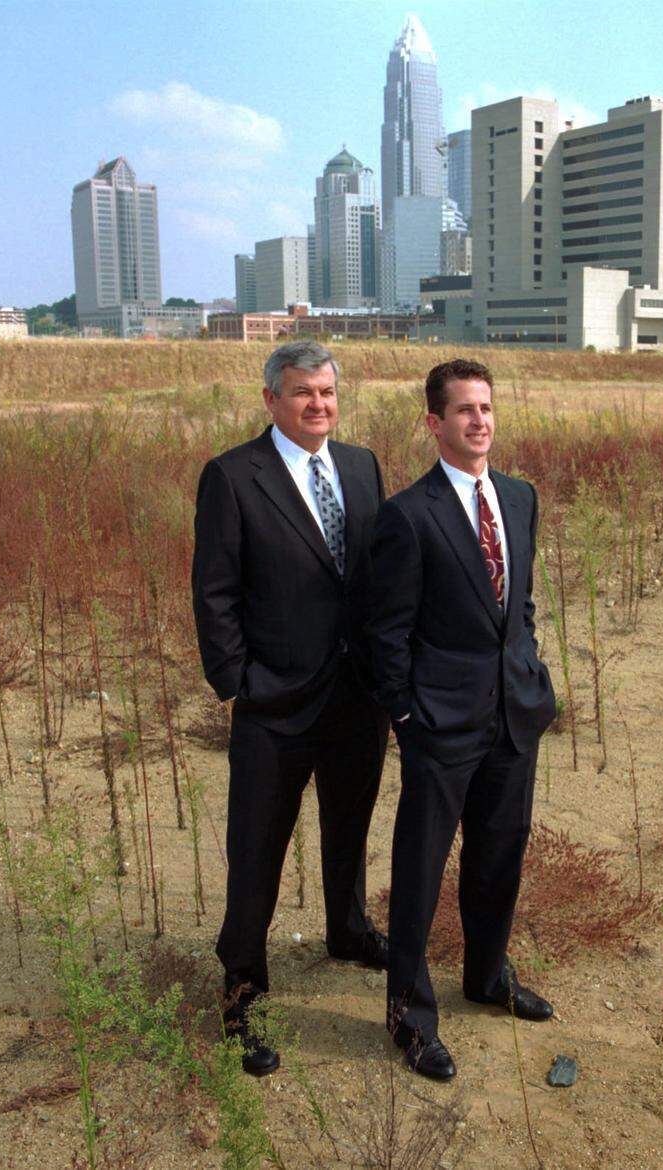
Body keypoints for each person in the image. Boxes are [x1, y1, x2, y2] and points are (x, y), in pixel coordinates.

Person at [191, 340, 390, 1076]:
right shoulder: (233, 476)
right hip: (275, 702)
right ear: (271, 399)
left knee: (349, 827)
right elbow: (214, 592)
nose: (318, 405)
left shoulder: (363, 467)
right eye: (304, 392)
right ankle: (242, 982)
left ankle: (348, 930)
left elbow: (374, 576)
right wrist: (241, 680)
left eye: (328, 393)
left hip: (355, 698)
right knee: (257, 848)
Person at [369, 358, 558, 1080]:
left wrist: (530, 674)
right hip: (439, 724)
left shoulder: (519, 497)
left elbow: (521, 605)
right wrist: (408, 714)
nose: (479, 421)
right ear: (434, 423)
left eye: (486, 408)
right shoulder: (408, 515)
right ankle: (409, 1017)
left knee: (499, 854)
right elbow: (388, 632)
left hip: (513, 715)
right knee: (420, 870)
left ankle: (487, 975)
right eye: (463, 411)